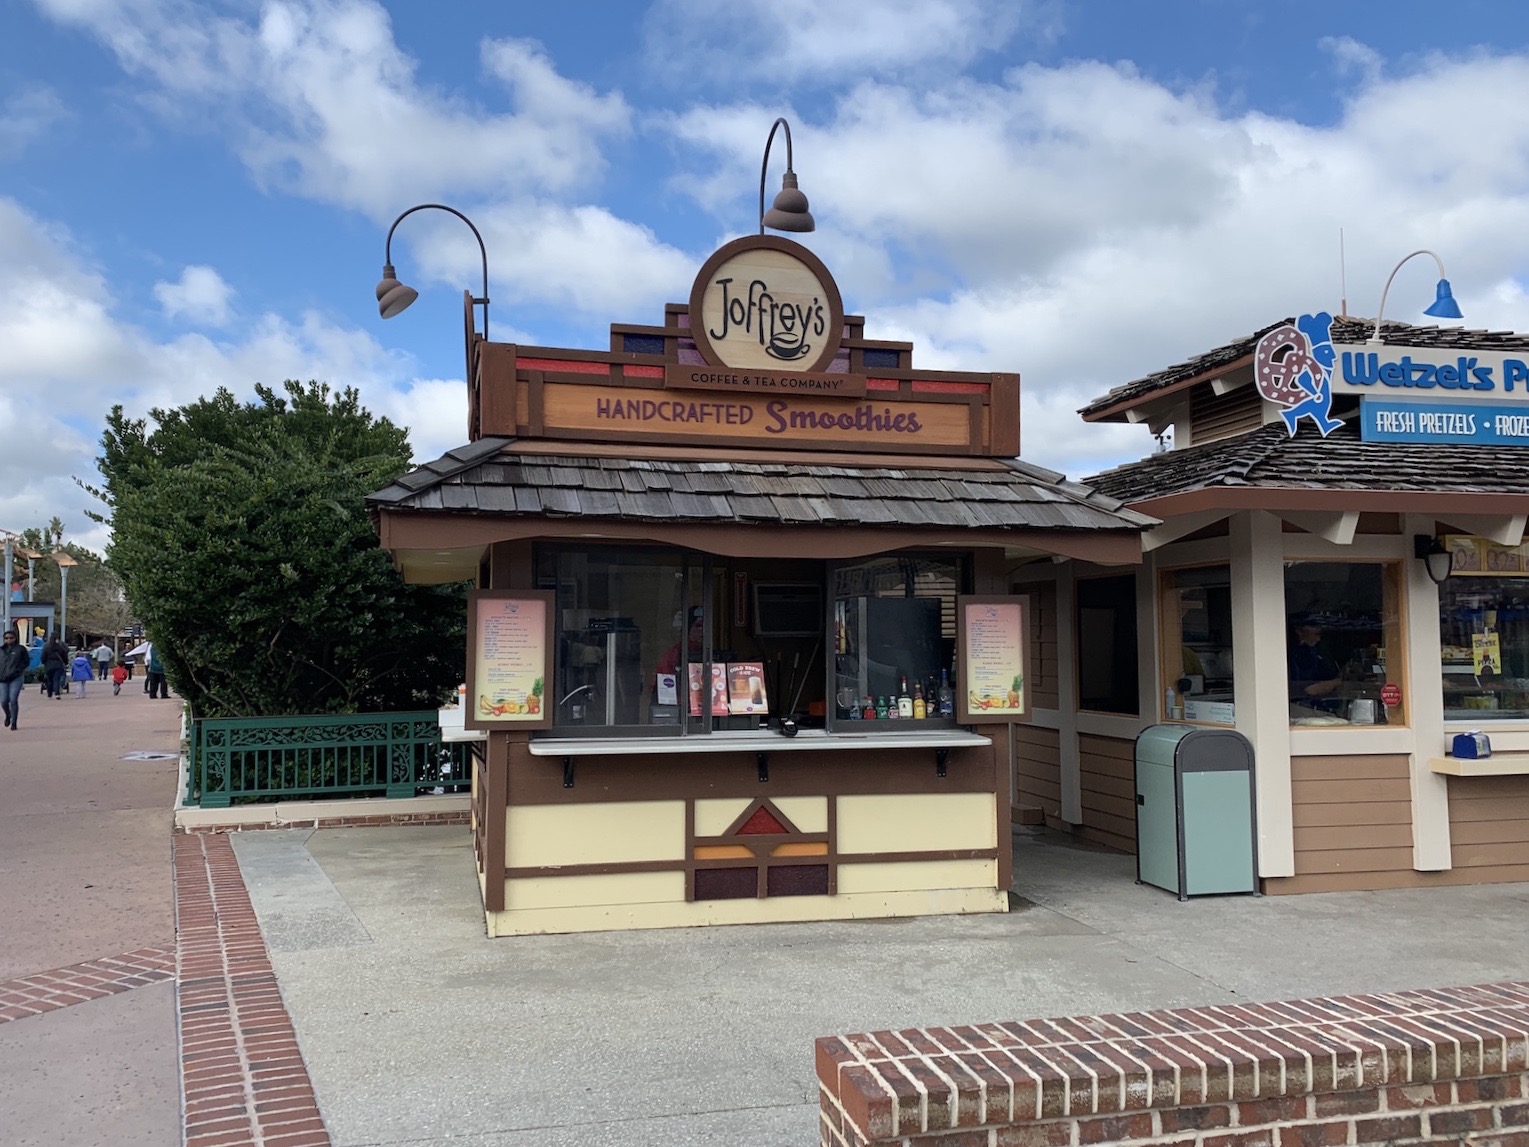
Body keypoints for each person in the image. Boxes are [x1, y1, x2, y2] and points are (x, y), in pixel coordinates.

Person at [1289, 616, 1341, 707]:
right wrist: (1337, 682)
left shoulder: (1315, 650)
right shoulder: (1297, 654)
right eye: (1316, 634)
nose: (1318, 639)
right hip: (1303, 704)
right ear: (1300, 632)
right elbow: (1310, 689)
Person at [656, 606, 704, 675]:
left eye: (705, 625)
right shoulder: (674, 653)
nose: (702, 630)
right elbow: (664, 678)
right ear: (688, 628)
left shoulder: (709, 652)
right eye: (698, 626)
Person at [0, 627, 29, 730]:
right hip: (3, 678)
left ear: (15, 638)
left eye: (11, 638)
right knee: (3, 700)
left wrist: (18, 670)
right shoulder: (1, 650)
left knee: (13, 699)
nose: (9, 640)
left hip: (16, 677)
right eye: (6, 638)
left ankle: (14, 722)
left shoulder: (20, 649)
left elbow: (26, 662)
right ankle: (8, 715)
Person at [41, 635, 69, 699]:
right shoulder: (60, 647)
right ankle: (57, 693)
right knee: (57, 679)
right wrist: (66, 663)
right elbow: (65, 656)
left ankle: (49, 694)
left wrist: (44, 663)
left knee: (49, 680)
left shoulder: (46, 647)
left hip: (49, 665)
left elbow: (43, 657)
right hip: (58, 665)